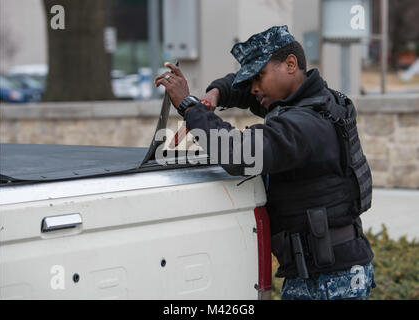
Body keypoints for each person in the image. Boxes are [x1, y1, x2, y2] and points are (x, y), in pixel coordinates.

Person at [154, 25, 376, 300]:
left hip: (327, 282)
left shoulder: (305, 125)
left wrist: (189, 106)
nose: (255, 87)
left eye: (259, 76)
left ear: (290, 64)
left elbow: (238, 153)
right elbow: (249, 92)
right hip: (335, 269)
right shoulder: (318, 101)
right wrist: (216, 94)